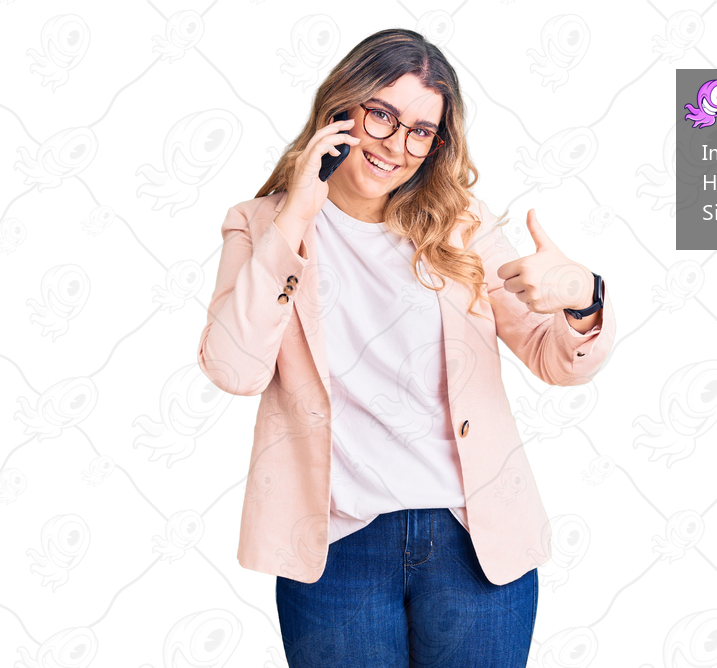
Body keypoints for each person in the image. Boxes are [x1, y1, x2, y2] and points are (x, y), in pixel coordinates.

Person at [197, 27, 614, 668]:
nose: (398, 145)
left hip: (471, 542)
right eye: (383, 115)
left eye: (421, 130)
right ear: (342, 108)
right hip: (336, 547)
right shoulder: (259, 227)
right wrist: (294, 220)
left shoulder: (462, 226)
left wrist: (584, 298)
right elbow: (234, 367)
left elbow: (553, 359)